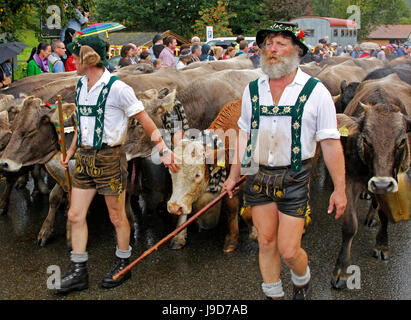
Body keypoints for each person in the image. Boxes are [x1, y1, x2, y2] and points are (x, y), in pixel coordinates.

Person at [223, 21, 346, 300]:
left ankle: (301, 279)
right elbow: (244, 135)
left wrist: (339, 189)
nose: (272, 49)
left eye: (280, 43)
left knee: (289, 250)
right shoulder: (252, 90)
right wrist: (233, 175)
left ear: (297, 50)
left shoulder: (316, 91)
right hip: (258, 174)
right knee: (266, 241)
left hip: (296, 175)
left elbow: (329, 142)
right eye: (268, 44)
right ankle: (273, 295)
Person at [56, 35, 180, 294]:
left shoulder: (117, 88)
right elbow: (82, 125)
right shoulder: (80, 85)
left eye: (76, 56)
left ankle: (124, 261)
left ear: (89, 57)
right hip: (85, 158)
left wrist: (164, 150)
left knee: (116, 216)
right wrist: (70, 151)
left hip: (109, 158)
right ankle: (79, 271)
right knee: (74, 215)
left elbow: (146, 120)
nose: (73, 59)